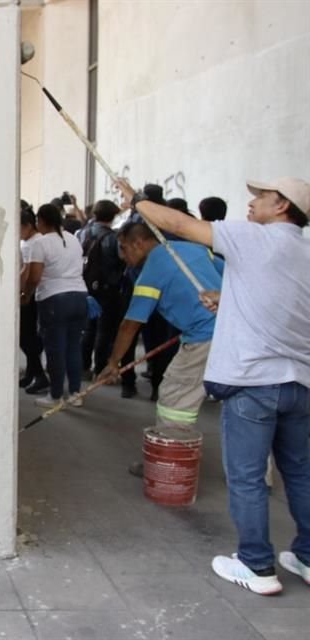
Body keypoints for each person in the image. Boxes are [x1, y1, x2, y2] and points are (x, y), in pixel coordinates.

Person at [117, 175, 310, 596]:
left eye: (261, 196)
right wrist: (227, 300)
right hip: (300, 383)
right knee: (299, 472)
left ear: (281, 206)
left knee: (245, 478)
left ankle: (256, 565)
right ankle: (308, 556)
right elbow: (279, 301)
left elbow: (180, 224)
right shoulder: (304, 252)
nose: (252, 201)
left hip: (255, 383)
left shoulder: (254, 239)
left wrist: (136, 201)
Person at [97, 221, 223, 476]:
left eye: (124, 248)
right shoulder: (195, 249)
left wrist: (113, 363)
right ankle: (255, 476)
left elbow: (130, 324)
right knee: (242, 405)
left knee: (175, 399)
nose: (124, 256)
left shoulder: (151, 271)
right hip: (235, 332)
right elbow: (231, 274)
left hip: (204, 339)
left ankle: (168, 464)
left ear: (139, 243)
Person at [21, 203, 88, 408]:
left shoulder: (41, 244)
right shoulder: (73, 238)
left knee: (55, 350)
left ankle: (56, 395)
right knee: (73, 347)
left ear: (41, 221)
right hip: (79, 296)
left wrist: (27, 295)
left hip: (54, 299)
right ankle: (75, 393)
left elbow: (34, 277)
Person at [79, 200, 127, 382]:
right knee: (105, 330)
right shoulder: (112, 238)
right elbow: (122, 259)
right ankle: (100, 368)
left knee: (88, 328)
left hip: (86, 286)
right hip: (109, 289)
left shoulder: (83, 233)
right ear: (113, 216)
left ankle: (83, 366)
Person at [19, 207, 49, 394]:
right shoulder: (37, 240)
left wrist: (22, 294)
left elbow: (27, 273)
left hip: (31, 296)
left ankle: (39, 374)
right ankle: (31, 373)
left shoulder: (31, 244)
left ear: (28, 226)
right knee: (30, 336)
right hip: (39, 295)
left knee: (26, 337)